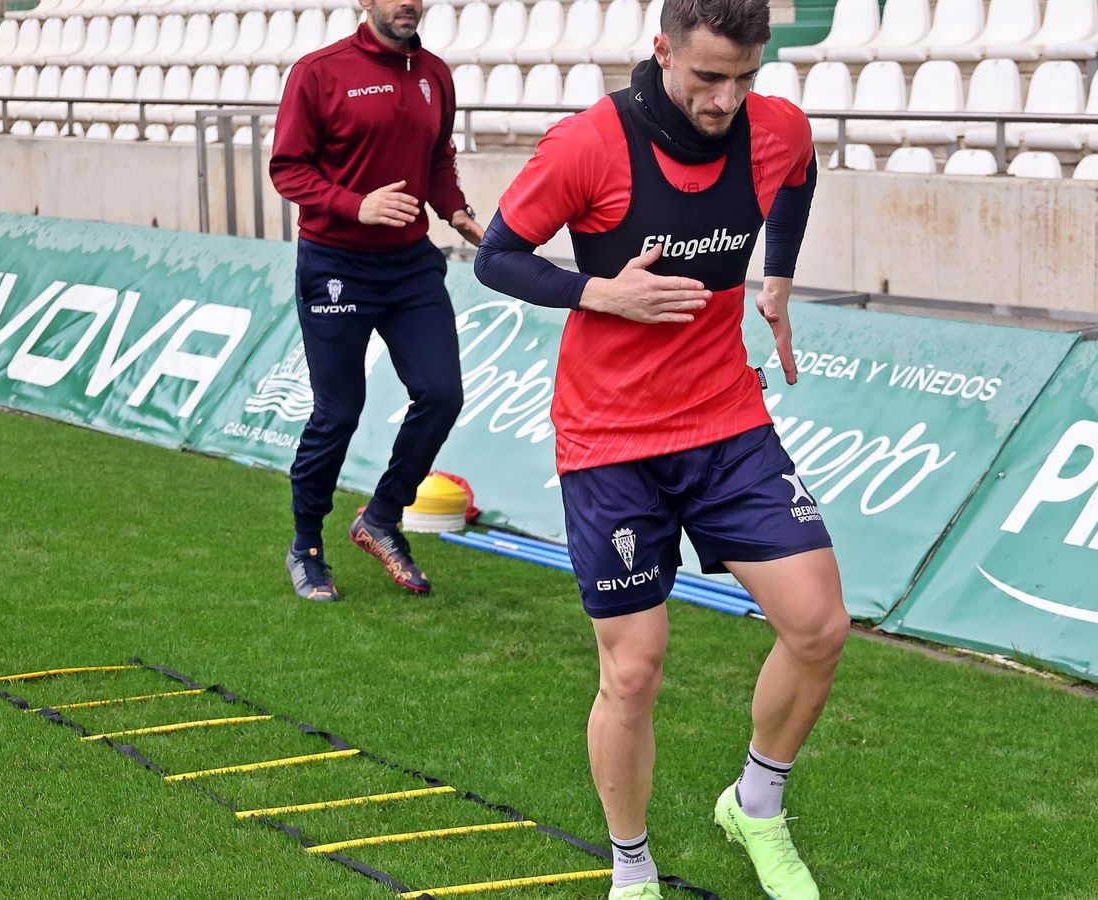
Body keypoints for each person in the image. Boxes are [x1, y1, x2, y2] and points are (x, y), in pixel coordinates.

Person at [473, 0, 847, 896]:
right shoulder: (587, 145)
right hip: (611, 440)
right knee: (632, 671)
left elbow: (801, 174)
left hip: (726, 421)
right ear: (662, 50)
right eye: (709, 76)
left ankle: (755, 802)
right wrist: (598, 293)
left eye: (745, 78)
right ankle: (631, 868)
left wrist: (778, 279)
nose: (727, 99)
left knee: (819, 626)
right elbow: (497, 256)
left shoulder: (775, 128)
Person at [269, 0, 485, 602]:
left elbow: (438, 159)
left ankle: (382, 516)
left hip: (411, 266)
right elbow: (288, 168)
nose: (408, 3)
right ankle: (306, 545)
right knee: (338, 412)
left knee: (442, 395)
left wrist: (456, 209)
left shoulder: (435, 73)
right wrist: (353, 204)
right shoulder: (318, 72)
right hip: (335, 264)